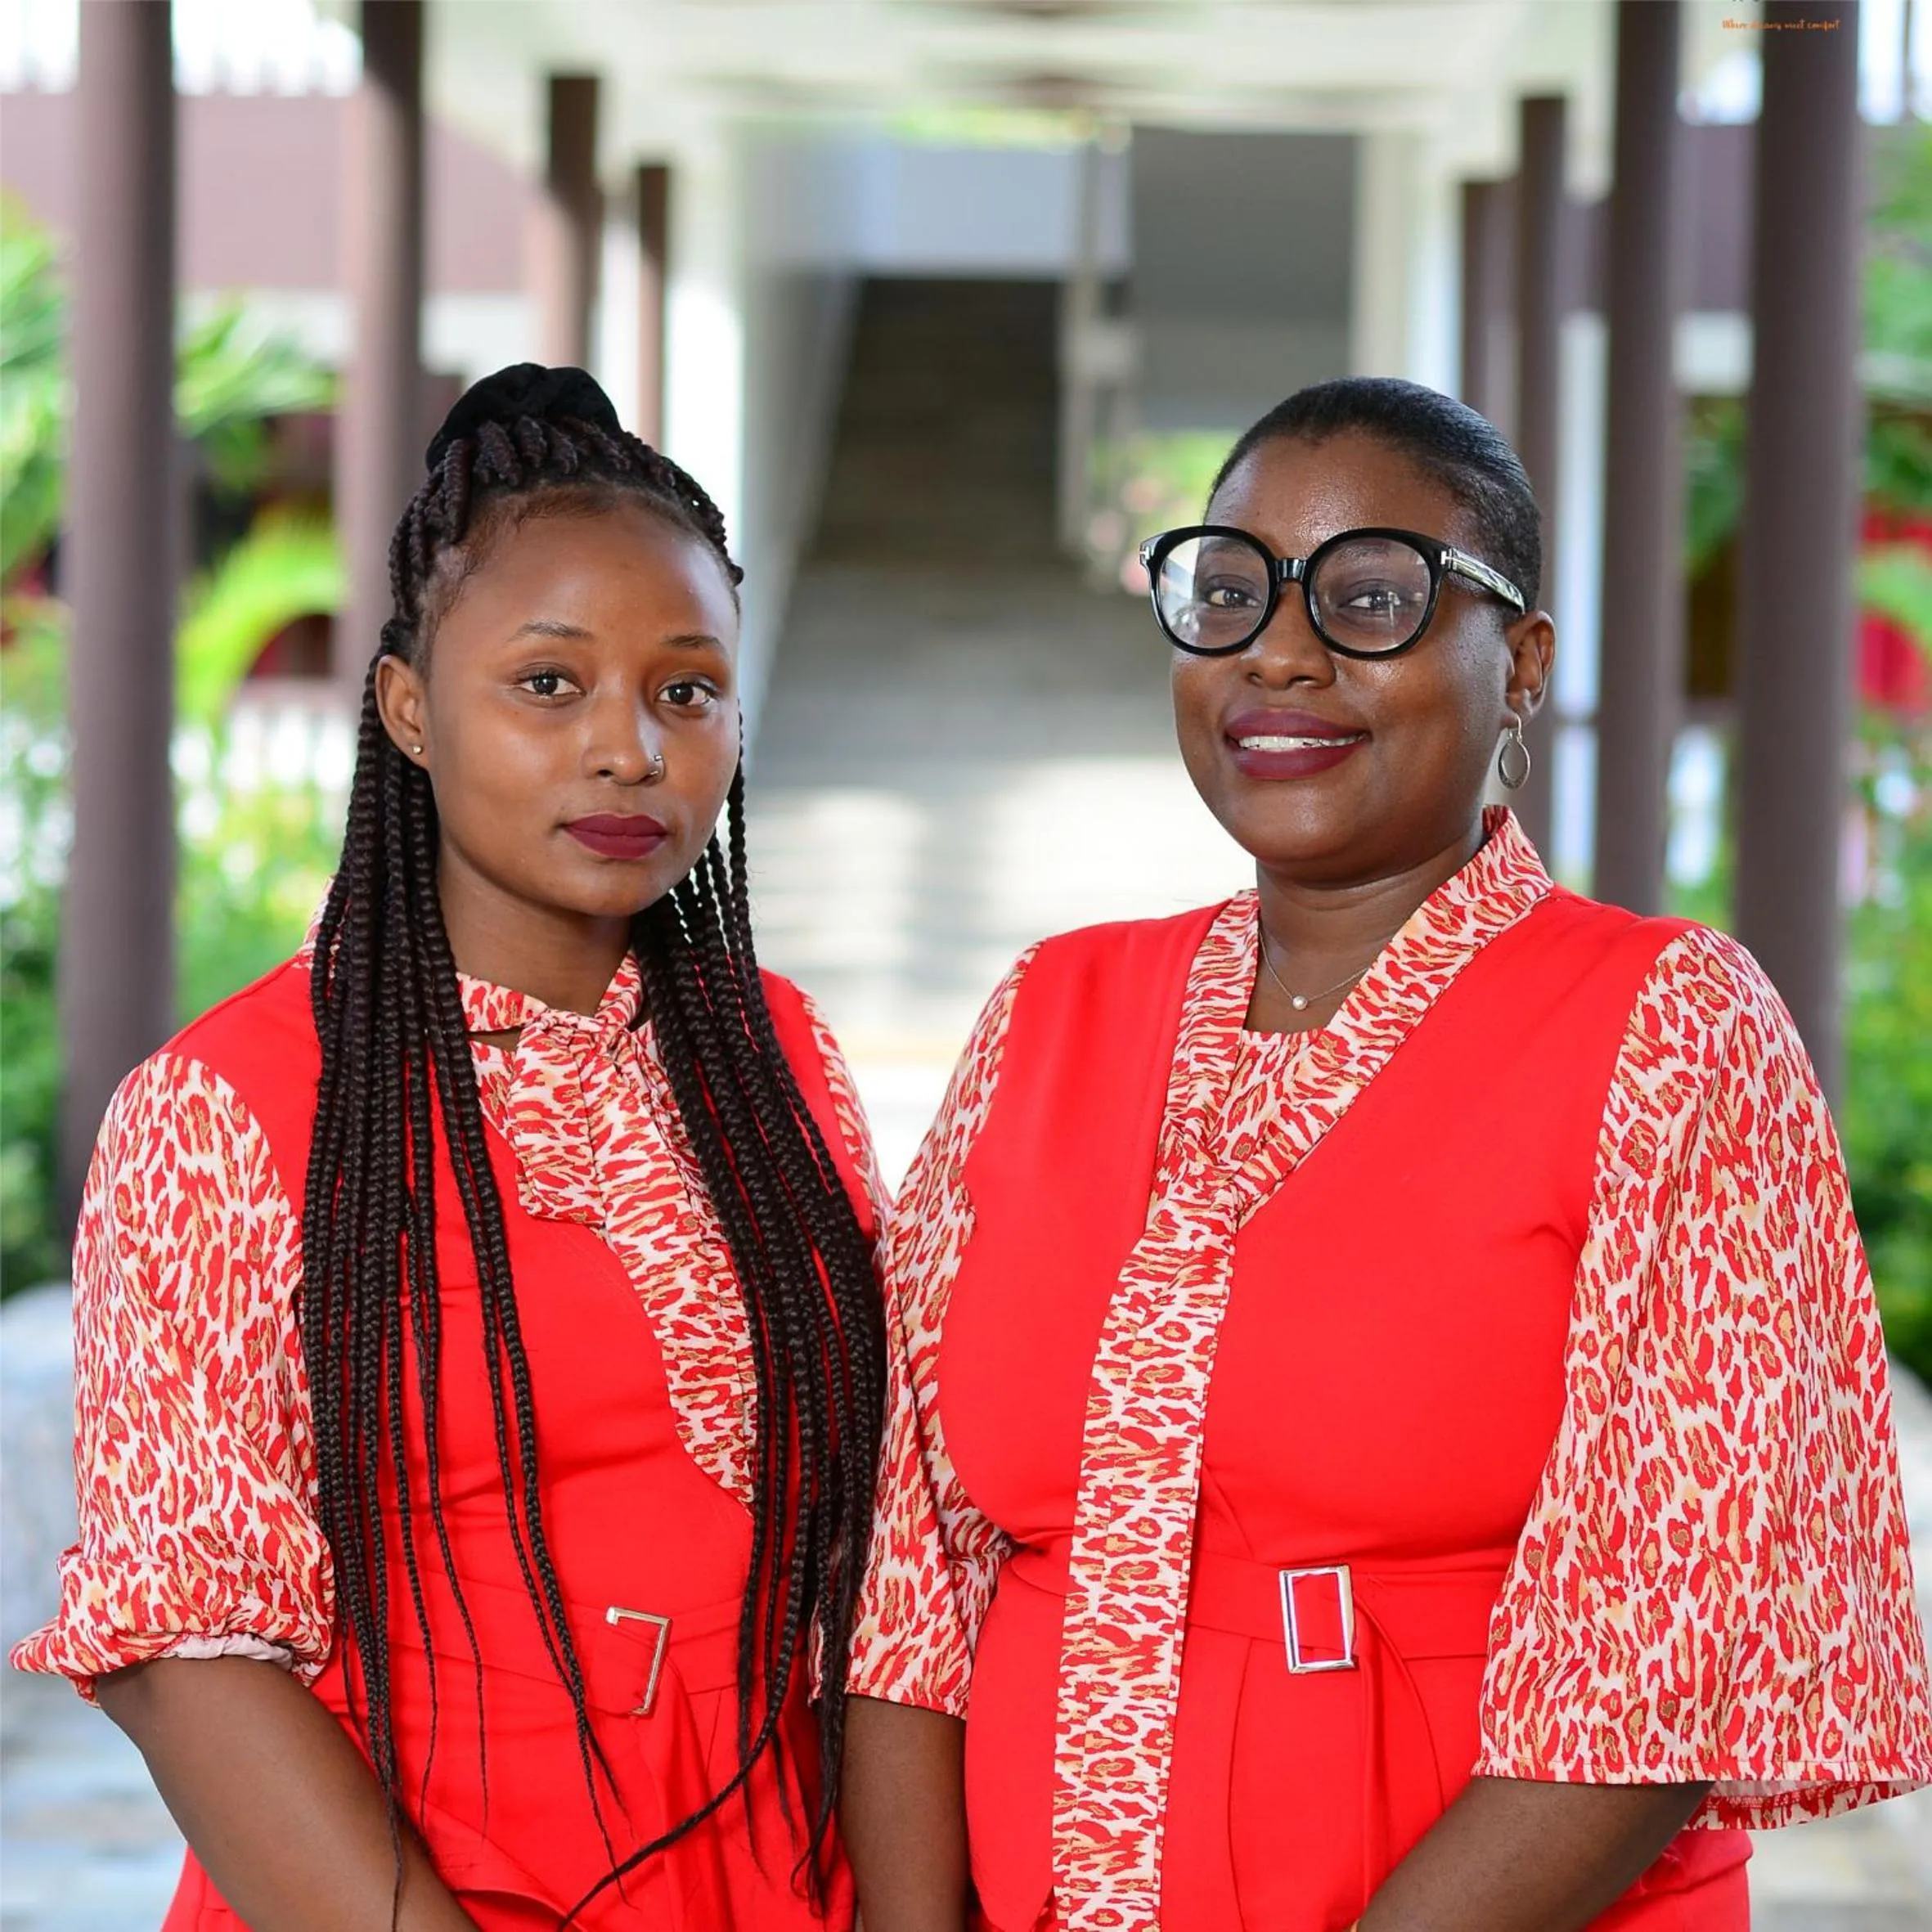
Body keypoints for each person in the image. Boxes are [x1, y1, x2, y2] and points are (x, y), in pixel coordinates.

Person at [838, 377, 1932, 1932]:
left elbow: (1665, 1656)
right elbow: (907, 1575)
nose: (1279, 651)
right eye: (1227, 593)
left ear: (1523, 661)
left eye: (1369, 597)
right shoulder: (1049, 1011)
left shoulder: (1664, 1028)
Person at [15, 365, 888, 1930]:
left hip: (774, 1877)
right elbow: (187, 1650)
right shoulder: (228, 1105)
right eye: (548, 684)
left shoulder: (784, 1058)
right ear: (411, 707)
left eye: (685, 688)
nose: (628, 747)